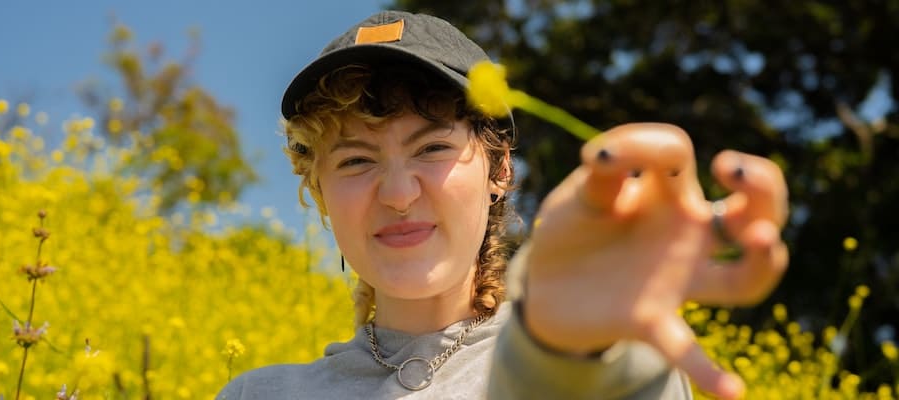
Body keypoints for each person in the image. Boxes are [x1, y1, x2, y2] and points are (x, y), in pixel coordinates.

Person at [218, 10, 788, 400]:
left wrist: (584, 353)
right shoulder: (255, 395)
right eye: (355, 161)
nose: (397, 194)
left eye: (433, 148)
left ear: (500, 169)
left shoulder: (575, 352)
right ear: (318, 191)